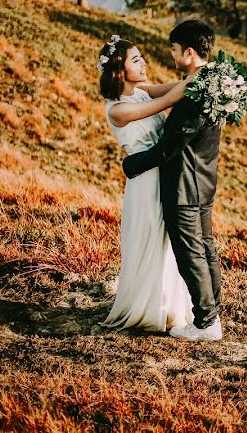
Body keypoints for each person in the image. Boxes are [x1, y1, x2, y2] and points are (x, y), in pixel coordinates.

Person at [122, 21, 224, 342]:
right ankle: (212, 315)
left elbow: (169, 146)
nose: (171, 55)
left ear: (189, 52)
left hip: (184, 185)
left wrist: (132, 164)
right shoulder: (212, 80)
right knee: (205, 247)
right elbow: (167, 91)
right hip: (204, 179)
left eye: (175, 50)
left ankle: (206, 322)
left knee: (191, 252)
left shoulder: (195, 95)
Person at [96, 34, 194, 332]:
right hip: (144, 183)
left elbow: (176, 87)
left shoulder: (142, 91)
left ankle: (168, 308)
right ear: (120, 70)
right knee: (150, 242)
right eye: (136, 59)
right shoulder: (118, 109)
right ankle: (146, 310)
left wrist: (204, 72)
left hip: (163, 176)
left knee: (167, 243)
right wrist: (196, 80)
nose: (144, 63)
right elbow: (171, 98)